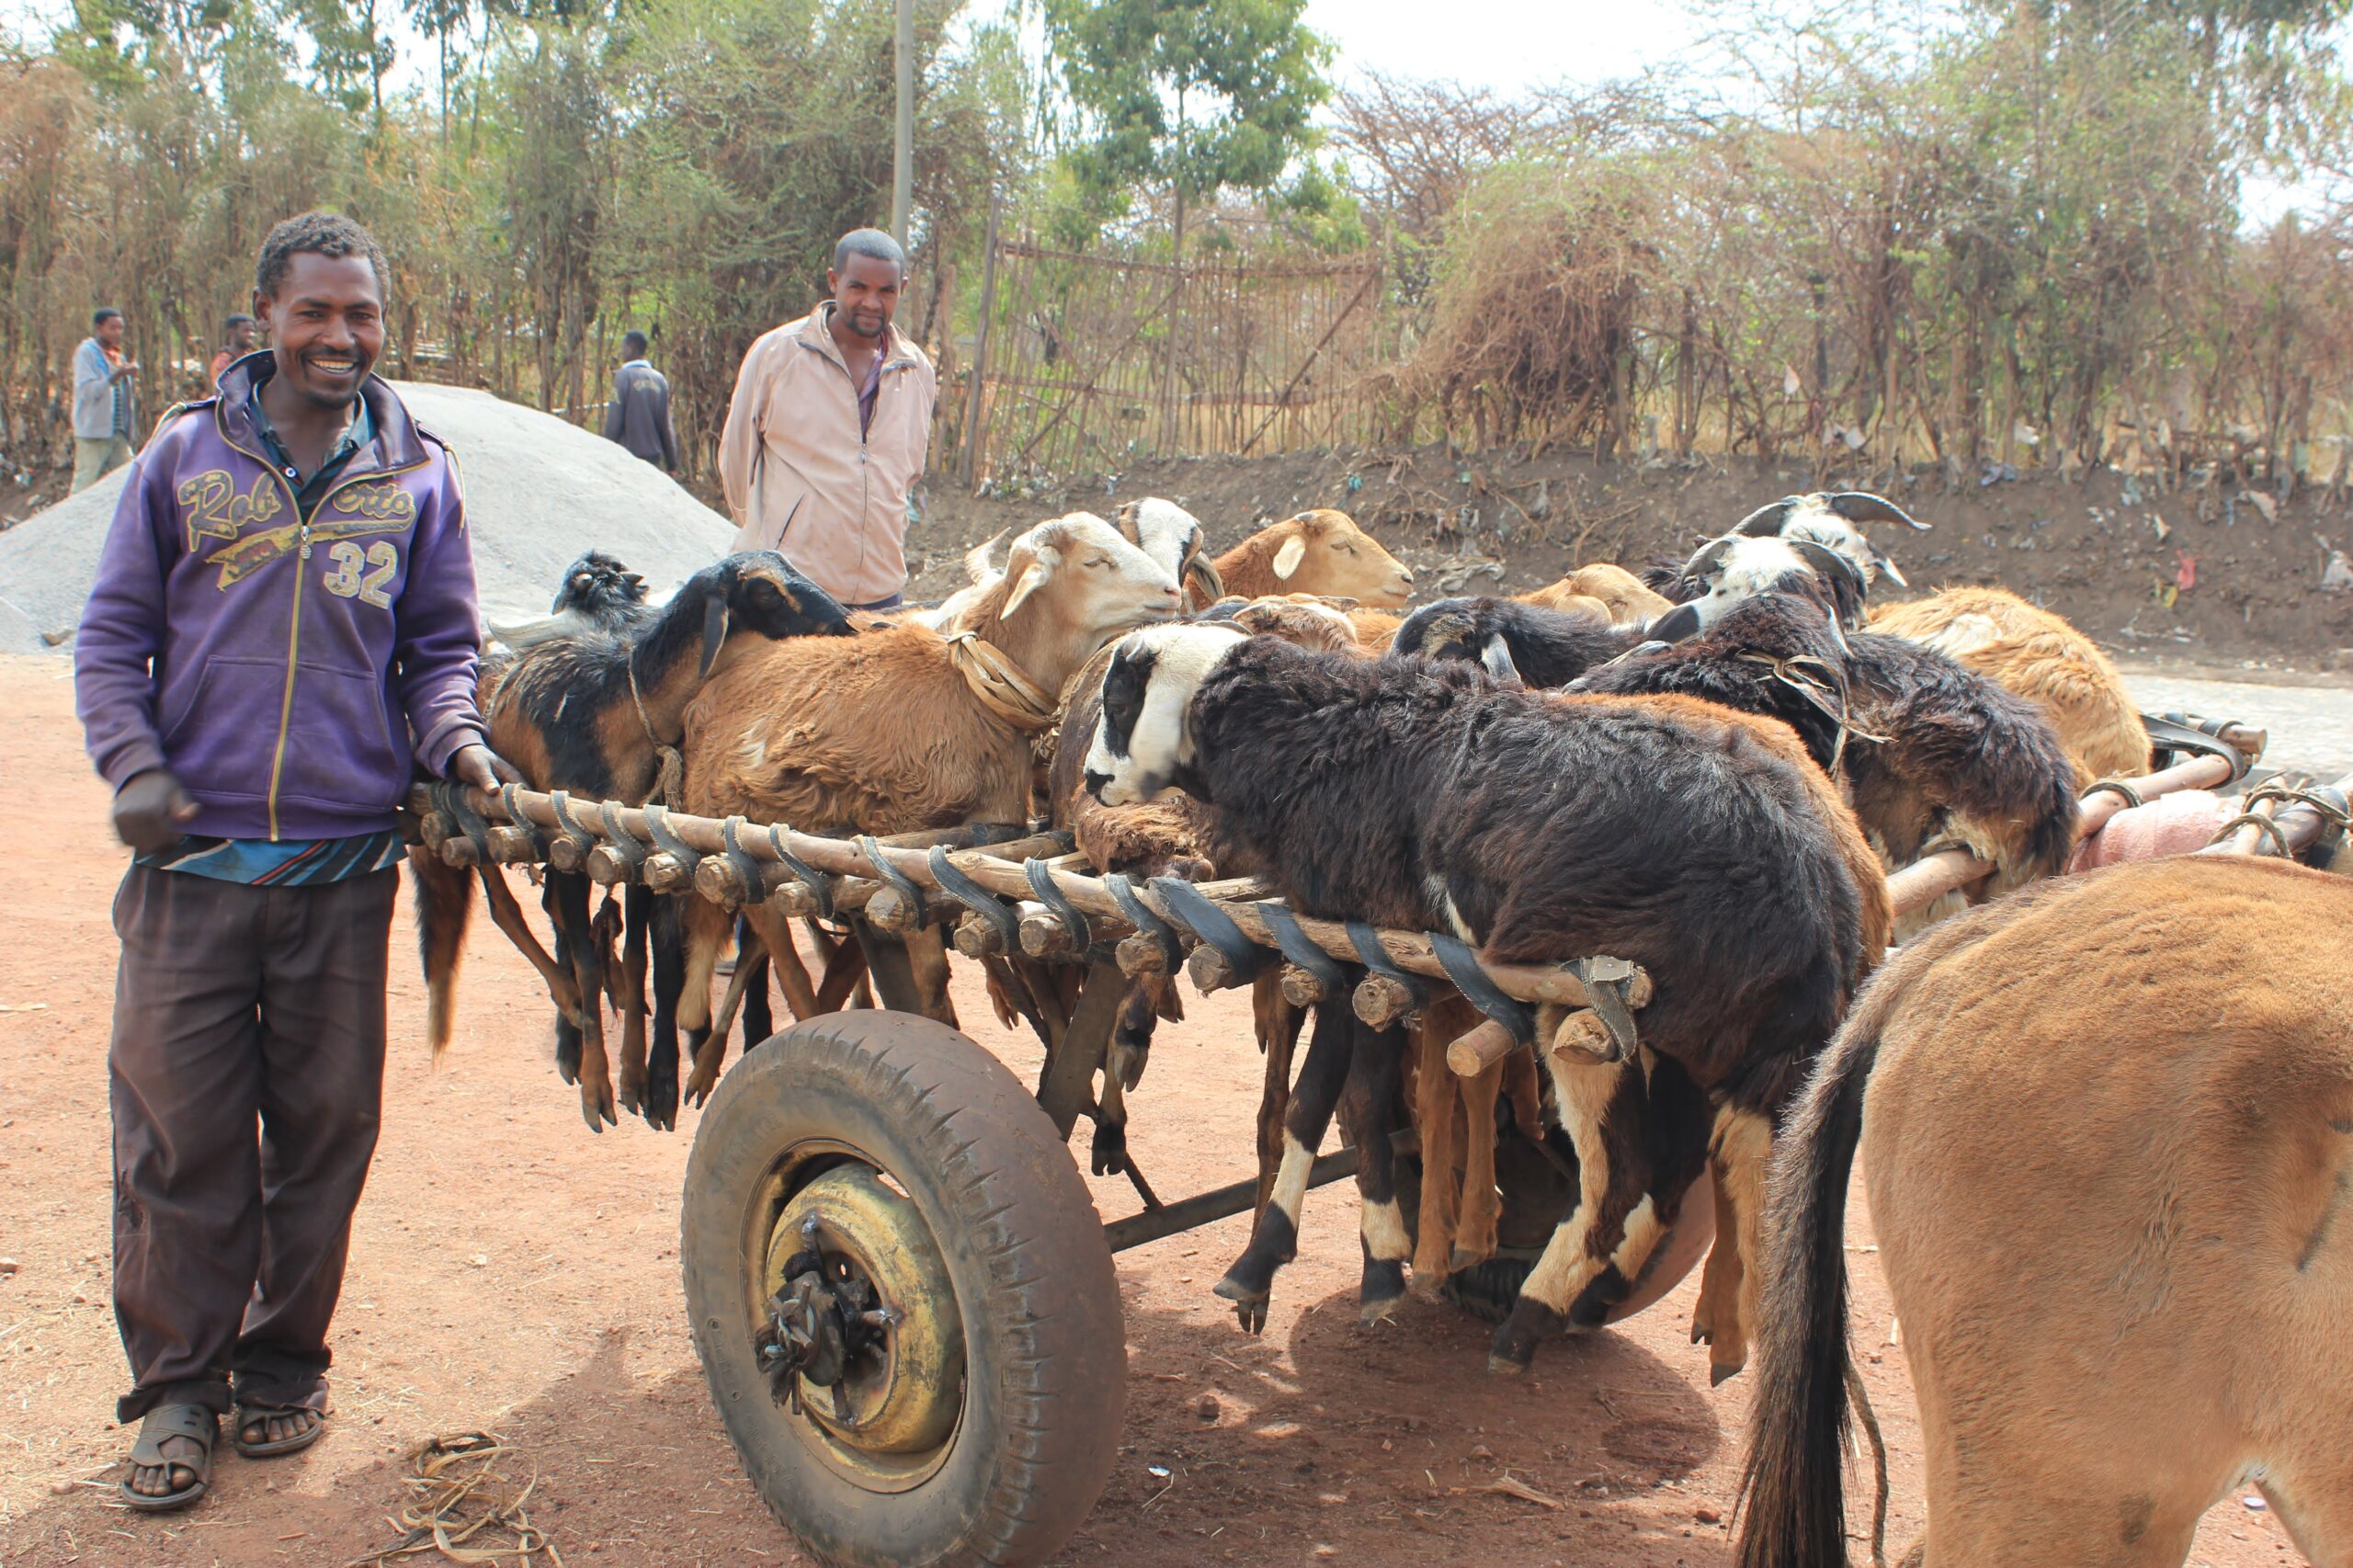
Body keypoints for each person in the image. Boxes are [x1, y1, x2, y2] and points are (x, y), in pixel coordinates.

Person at [74, 210, 518, 1514]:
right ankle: (174, 1387)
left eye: (362, 314)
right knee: (179, 1137)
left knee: (324, 1133)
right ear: (266, 313)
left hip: (340, 875)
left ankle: (282, 1362)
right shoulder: (178, 460)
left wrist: (455, 736)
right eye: (317, 312)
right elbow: (109, 641)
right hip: (191, 871)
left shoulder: (419, 472)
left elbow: (439, 646)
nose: (342, 336)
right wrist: (136, 768)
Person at [719, 228, 937, 611]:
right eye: (858, 287)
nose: (872, 302)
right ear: (834, 281)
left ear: (902, 289)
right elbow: (736, 464)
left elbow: (909, 471)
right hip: (789, 591)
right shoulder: (778, 354)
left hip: (880, 595)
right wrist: (773, 534)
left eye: (886, 291)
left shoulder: (916, 371)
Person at [72, 307, 139, 492]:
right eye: (112, 328)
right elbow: (87, 392)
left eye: (120, 328)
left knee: (129, 479)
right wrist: (116, 376)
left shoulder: (118, 356)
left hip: (117, 432)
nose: (117, 333)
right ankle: (74, 519)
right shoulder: (87, 353)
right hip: (94, 433)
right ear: (99, 328)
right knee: (84, 484)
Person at [602, 329, 680, 471]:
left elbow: (614, 421)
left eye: (623, 347)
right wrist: (672, 463)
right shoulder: (660, 380)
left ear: (631, 348)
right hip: (653, 461)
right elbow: (666, 426)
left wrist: (605, 454)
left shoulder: (623, 378)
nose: (621, 351)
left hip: (627, 458)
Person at [208, 312, 257, 390]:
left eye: (253, 331)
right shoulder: (222, 363)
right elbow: (224, 393)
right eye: (246, 331)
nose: (251, 334)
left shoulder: (251, 357)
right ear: (231, 332)